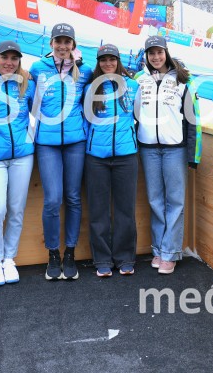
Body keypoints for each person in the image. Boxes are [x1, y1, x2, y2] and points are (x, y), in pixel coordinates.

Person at [29, 23, 93, 280]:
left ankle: (70, 252)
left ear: (73, 45)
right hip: (47, 143)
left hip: (76, 141)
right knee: (53, 199)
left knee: (74, 197)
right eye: (59, 41)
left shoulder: (85, 71)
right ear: (51, 43)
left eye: (68, 41)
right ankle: (53, 252)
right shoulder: (37, 68)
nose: (63, 46)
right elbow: (24, 96)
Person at [134, 35, 202, 275]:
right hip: (148, 147)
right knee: (155, 200)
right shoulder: (139, 80)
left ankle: (171, 252)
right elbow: (133, 115)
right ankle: (159, 249)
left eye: (159, 52)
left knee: (175, 201)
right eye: (151, 53)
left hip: (175, 148)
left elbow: (194, 119)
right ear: (146, 56)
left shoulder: (183, 80)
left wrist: (194, 154)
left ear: (166, 53)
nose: (156, 57)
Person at [0, 41, 36, 287]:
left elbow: (45, 112)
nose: (9, 62)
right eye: (5, 57)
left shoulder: (26, 84)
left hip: (22, 156)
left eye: (14, 58)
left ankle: (9, 258)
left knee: (16, 209)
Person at [83, 44, 140, 277]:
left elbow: (139, 116)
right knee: (98, 210)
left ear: (118, 61)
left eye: (112, 59)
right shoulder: (90, 89)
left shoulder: (133, 86)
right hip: (96, 157)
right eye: (104, 60)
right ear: (98, 62)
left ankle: (125, 257)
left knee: (125, 209)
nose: (108, 63)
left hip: (126, 156)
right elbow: (86, 119)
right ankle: (102, 259)